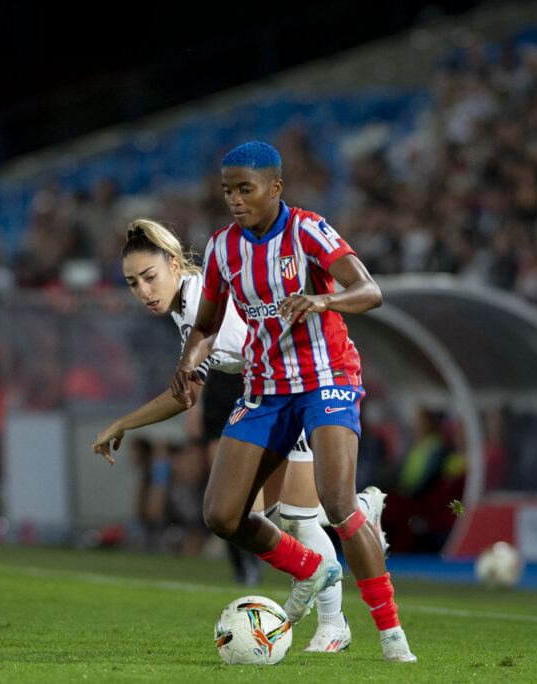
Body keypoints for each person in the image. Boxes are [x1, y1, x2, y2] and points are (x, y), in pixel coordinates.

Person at [91, 218, 387, 652]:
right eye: (133, 283)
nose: (143, 291)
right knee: (281, 515)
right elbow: (189, 390)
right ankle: (356, 520)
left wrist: (122, 423)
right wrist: (126, 423)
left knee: (297, 519)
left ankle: (334, 622)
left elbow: (188, 393)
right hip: (270, 398)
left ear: (175, 265)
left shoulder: (199, 304)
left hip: (299, 387)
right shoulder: (188, 305)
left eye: (150, 277)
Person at [171, 141, 416, 662]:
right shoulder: (221, 248)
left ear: (275, 188)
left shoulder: (307, 230)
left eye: (245, 189)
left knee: (336, 503)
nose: (235, 200)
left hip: (326, 378)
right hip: (264, 390)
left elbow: (369, 290)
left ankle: (392, 636)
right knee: (221, 516)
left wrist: (322, 298)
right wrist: (191, 360)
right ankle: (311, 567)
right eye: (227, 191)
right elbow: (207, 325)